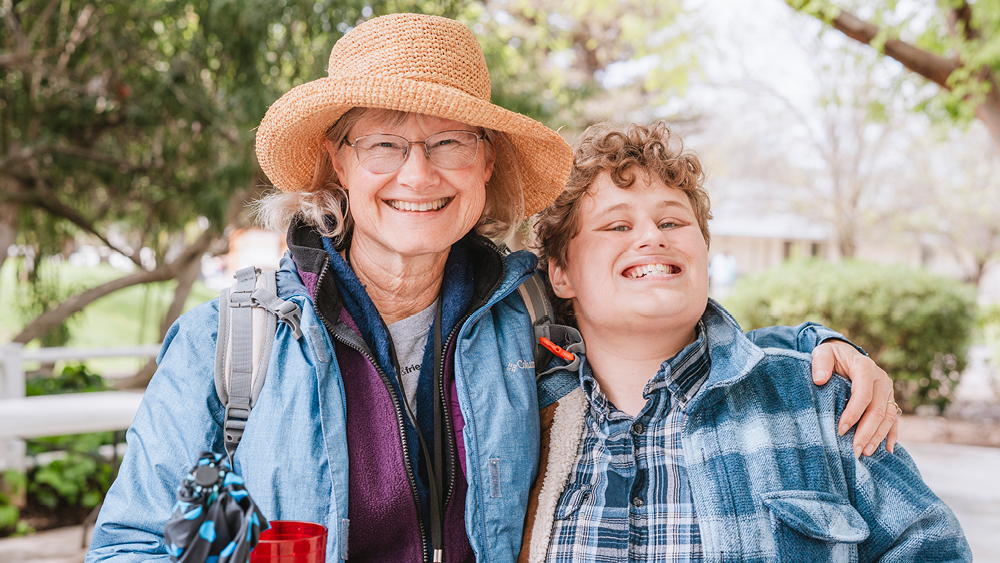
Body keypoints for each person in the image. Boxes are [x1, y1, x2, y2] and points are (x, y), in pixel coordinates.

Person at [86, 14, 898, 563]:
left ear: (484, 163)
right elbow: (129, 542)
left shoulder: (530, 316)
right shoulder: (230, 339)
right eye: (384, 144)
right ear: (338, 162)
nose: (418, 174)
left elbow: (666, 336)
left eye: (449, 142)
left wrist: (818, 351)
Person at [519, 122, 971, 562]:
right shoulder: (521, 421)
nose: (653, 236)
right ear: (561, 273)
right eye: (617, 226)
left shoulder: (822, 402)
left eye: (672, 221)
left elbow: (933, 548)